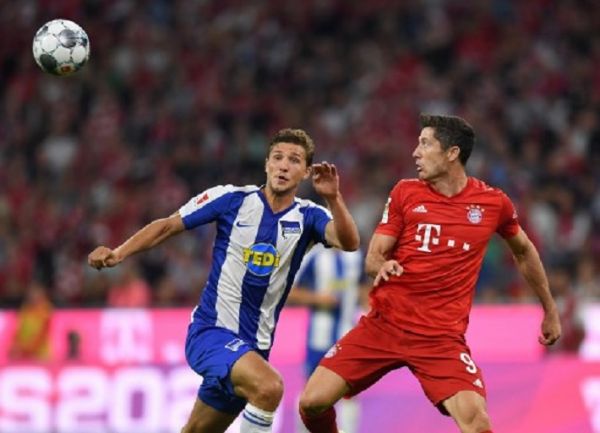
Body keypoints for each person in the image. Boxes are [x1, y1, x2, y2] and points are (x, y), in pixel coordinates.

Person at [298, 114, 562, 433]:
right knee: (311, 402)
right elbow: (373, 257)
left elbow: (524, 251)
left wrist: (549, 309)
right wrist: (383, 266)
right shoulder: (405, 193)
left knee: (477, 423)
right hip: (384, 326)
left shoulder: (493, 204)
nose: (415, 152)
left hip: (441, 339)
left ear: (452, 153)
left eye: (425, 143)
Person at [88, 128, 360, 433]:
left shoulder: (309, 215)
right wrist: (119, 253)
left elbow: (349, 242)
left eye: (294, 160)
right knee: (269, 387)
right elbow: (167, 226)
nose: (284, 165)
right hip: (211, 333)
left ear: (306, 172)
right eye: (278, 157)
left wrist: (334, 198)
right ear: (266, 164)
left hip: (253, 349)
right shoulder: (231, 198)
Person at [287, 244, 367, 433]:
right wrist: (317, 299)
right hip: (318, 337)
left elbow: (363, 288)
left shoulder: (356, 257)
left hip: (347, 336)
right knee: (311, 390)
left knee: (349, 391)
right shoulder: (313, 256)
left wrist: (369, 309)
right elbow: (291, 291)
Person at [9, 281, 53, 361]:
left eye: (35, 293)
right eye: (30, 293)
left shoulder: (45, 309)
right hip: (24, 350)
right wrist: (16, 344)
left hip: (40, 352)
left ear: (42, 294)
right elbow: (19, 329)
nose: (32, 296)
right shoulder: (25, 308)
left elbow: (43, 333)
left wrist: (30, 348)